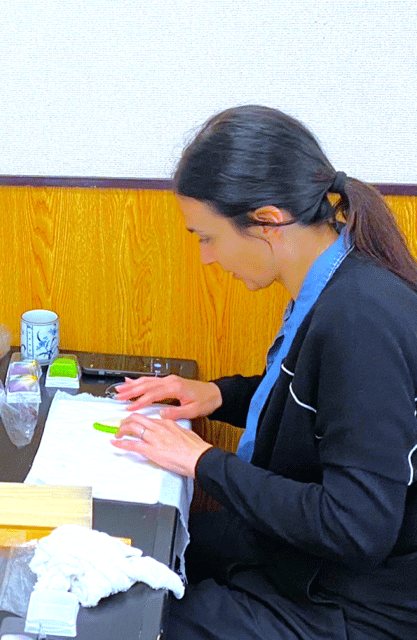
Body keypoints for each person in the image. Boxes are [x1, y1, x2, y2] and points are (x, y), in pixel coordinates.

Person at [111, 106, 417, 639]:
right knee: (136, 550)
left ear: (268, 221)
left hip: (352, 600)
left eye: (206, 237)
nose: (206, 257)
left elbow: (356, 526)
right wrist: (218, 395)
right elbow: (327, 408)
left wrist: (203, 462)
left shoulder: (360, 319)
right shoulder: (336, 277)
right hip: (314, 562)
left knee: (139, 621)